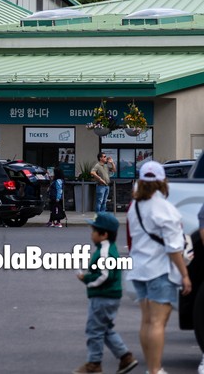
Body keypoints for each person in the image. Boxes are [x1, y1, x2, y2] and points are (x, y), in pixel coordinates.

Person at [127, 160, 191, 374]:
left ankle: (152, 369)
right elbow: (174, 249)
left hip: (139, 269)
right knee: (157, 323)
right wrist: (185, 275)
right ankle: (155, 370)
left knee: (146, 321)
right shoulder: (166, 209)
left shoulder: (135, 206)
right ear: (163, 180)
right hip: (160, 271)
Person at [72, 212, 138, 374]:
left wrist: (86, 280)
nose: (91, 234)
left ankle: (94, 364)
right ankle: (125, 357)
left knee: (94, 330)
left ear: (104, 235)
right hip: (108, 296)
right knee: (104, 328)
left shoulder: (105, 252)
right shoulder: (106, 248)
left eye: (94, 231)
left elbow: (105, 274)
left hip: (103, 296)